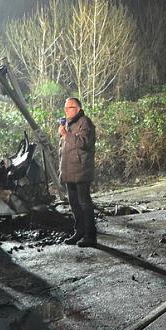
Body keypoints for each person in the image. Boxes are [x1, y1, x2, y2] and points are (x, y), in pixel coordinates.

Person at [59, 97, 97, 247]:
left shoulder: (85, 122)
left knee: (84, 203)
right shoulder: (68, 124)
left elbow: (83, 143)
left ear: (78, 109)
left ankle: (90, 236)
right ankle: (79, 232)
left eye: (69, 107)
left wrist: (65, 134)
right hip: (69, 171)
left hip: (81, 170)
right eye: (65, 107)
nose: (66, 110)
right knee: (74, 203)